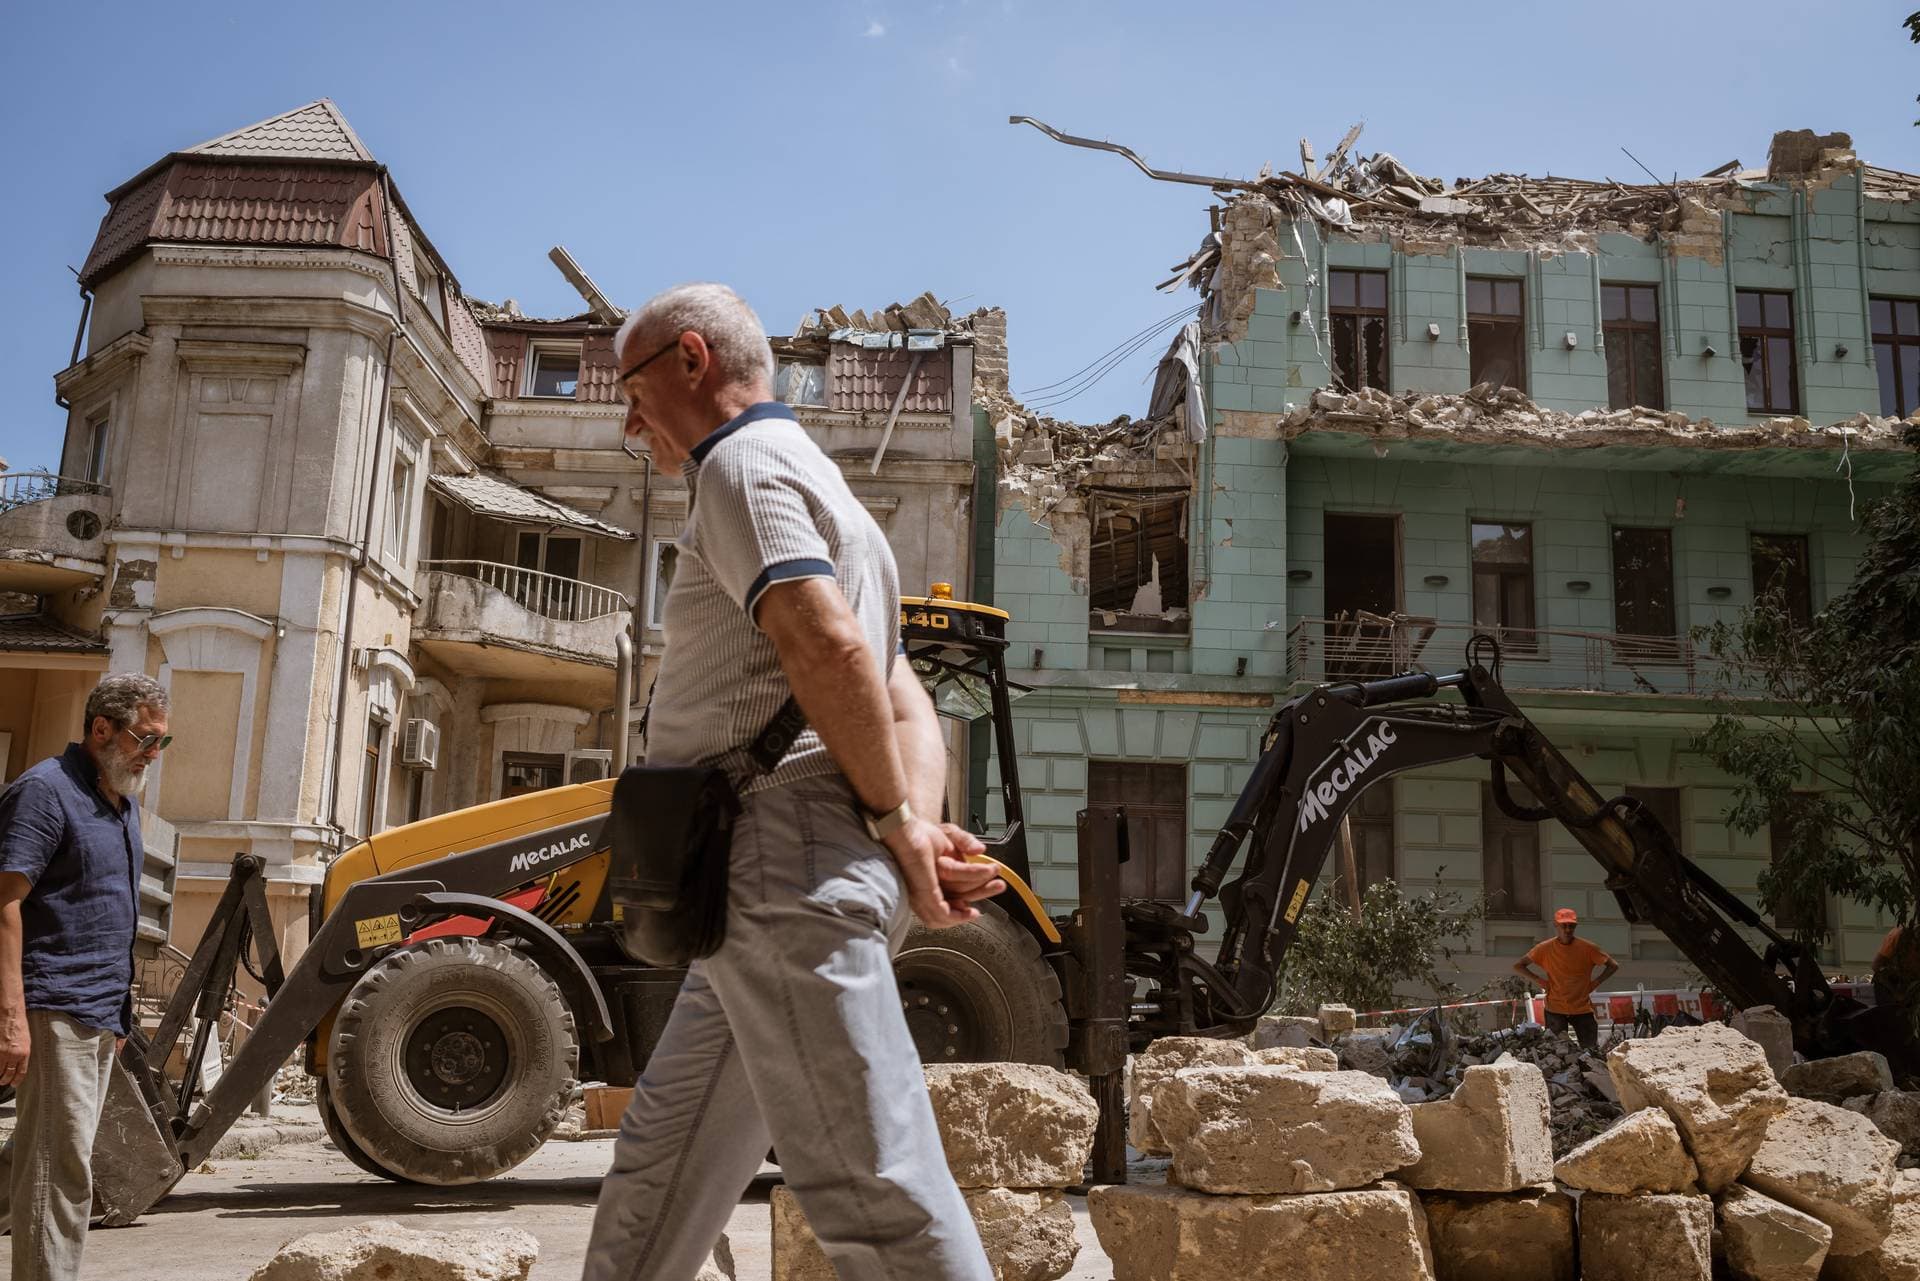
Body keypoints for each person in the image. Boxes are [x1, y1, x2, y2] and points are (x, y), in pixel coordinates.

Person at [581, 284, 1002, 1281]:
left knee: (875, 1194)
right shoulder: (832, 492)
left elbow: (826, 642)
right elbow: (903, 696)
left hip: (779, 867)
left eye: (632, 391)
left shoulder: (737, 465)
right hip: (771, 877)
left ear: (692, 361)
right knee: (665, 1160)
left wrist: (899, 821)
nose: (630, 420)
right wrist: (916, 830)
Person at [0, 673, 170, 1281]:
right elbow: (5, 904)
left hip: (98, 1011)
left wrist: (119, 1012)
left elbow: (106, 910)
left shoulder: (122, 803)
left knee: (44, 1156)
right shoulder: (44, 792)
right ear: (101, 729)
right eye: (144, 739)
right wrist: (12, 1019)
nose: (152, 753)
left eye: (161, 743)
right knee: (61, 1170)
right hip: (52, 1004)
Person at [1514, 907, 1617, 1053]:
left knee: (1590, 1052)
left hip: (1582, 1009)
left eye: (1571, 926)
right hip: (1555, 1009)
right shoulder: (1545, 948)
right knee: (1557, 1053)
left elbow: (1613, 966)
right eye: (1564, 926)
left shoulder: (1588, 948)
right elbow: (1519, 965)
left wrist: (1595, 983)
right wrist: (1540, 981)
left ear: (1575, 927)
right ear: (1556, 926)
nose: (1567, 930)